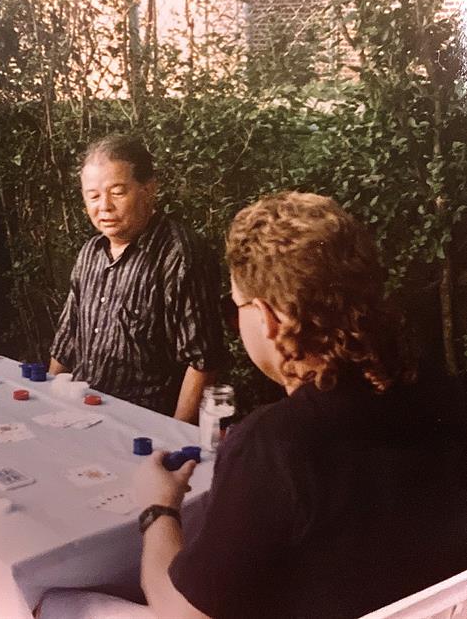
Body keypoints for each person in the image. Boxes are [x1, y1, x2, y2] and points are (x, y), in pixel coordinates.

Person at [132, 191, 467, 618]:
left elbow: (182, 614)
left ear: (267, 317)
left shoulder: (277, 446)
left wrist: (158, 508)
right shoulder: (443, 392)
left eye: (234, 307)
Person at [49, 135, 224, 422]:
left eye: (117, 192)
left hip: (144, 425)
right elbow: (66, 342)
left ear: (149, 189)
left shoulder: (179, 255)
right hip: (80, 413)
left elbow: (203, 362)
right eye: (93, 195)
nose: (104, 206)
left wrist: (174, 437)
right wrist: (47, 404)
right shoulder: (91, 252)